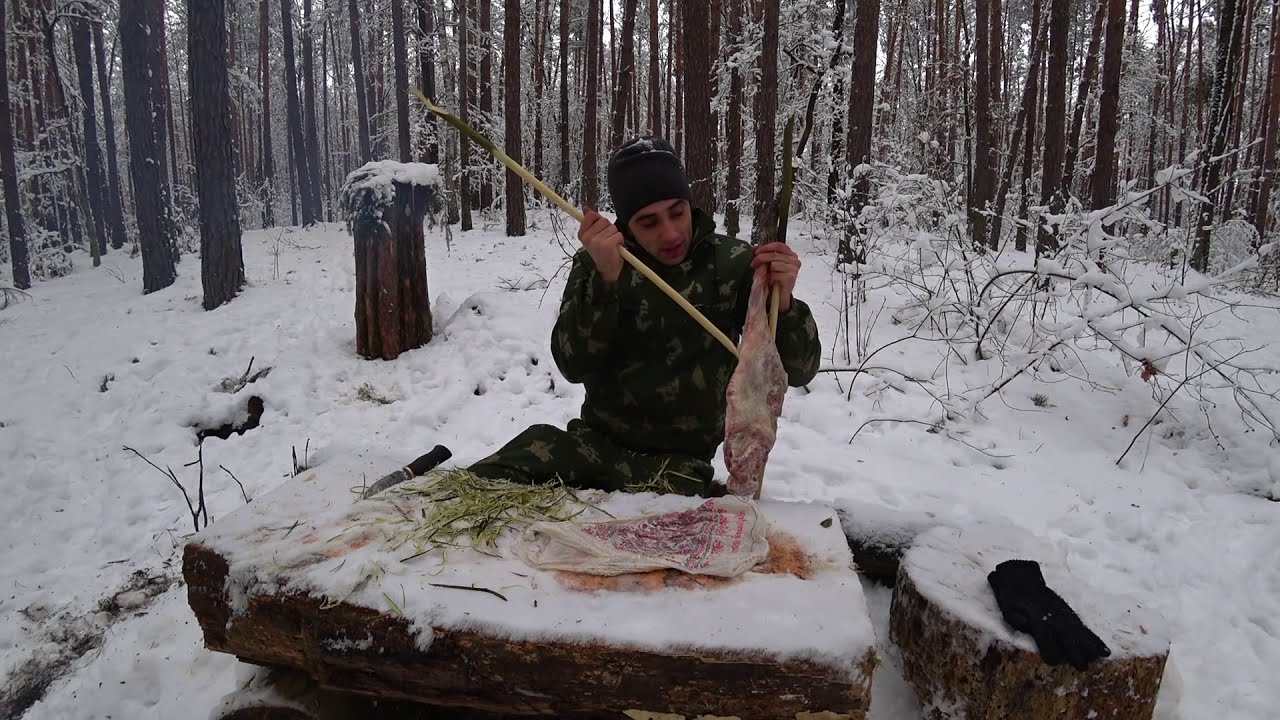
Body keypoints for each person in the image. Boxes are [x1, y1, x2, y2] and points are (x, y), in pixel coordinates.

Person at [467, 136, 821, 496]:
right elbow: (572, 365)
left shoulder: (731, 263)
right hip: (596, 449)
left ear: (689, 204)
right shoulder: (600, 261)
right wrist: (606, 280)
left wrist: (785, 301)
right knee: (488, 478)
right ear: (625, 224)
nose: (669, 233)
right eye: (648, 221)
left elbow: (799, 370)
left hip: (678, 467)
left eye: (677, 212)